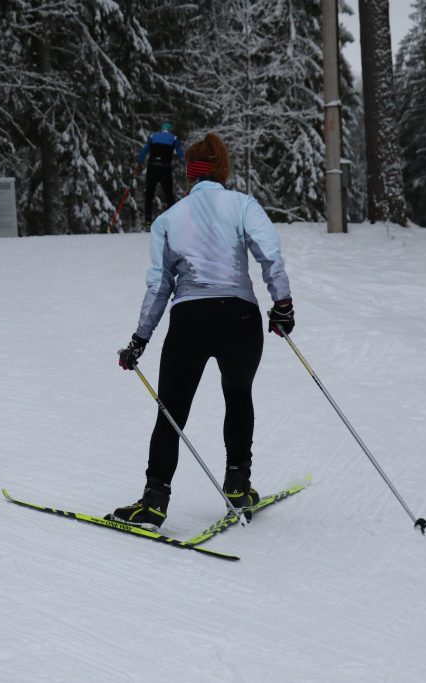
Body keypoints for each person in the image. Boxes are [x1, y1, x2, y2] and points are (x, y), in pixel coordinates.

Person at [110, 132, 295, 530]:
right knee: (238, 395)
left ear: (188, 173)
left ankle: (154, 501)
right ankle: (237, 484)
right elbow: (270, 255)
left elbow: (159, 286)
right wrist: (282, 306)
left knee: (171, 411)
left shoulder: (168, 219)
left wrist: (139, 339)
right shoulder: (242, 204)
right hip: (240, 320)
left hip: (190, 321)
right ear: (222, 169)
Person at [134, 122, 185, 227]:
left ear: (161, 129)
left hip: (152, 168)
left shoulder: (153, 137)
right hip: (165, 169)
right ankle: (172, 219)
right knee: (168, 194)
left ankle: (148, 220)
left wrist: (139, 163)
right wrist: (185, 164)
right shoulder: (174, 138)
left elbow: (144, 151)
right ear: (169, 130)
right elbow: (180, 155)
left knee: (149, 194)